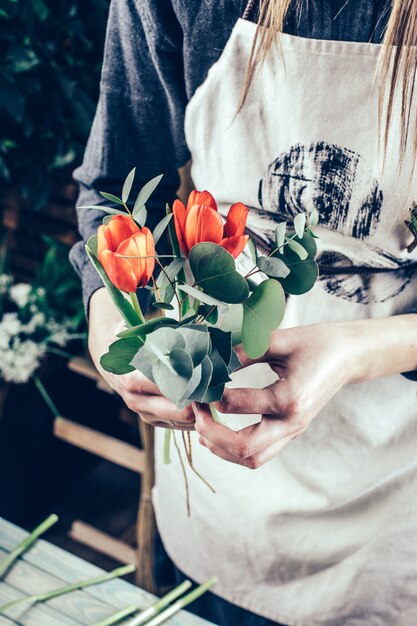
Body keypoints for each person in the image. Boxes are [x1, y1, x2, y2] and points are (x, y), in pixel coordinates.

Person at [70, 1, 417, 624]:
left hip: (391, 521)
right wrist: (111, 317)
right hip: (214, 512)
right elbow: (113, 190)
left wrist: (359, 351)